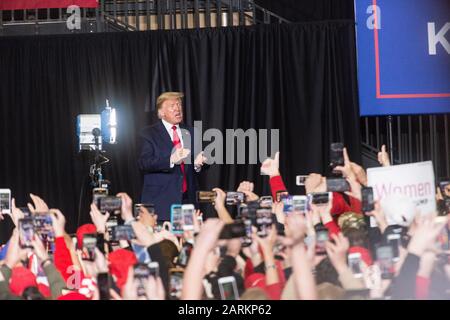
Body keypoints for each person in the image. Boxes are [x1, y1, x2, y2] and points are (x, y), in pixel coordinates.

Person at [137, 92, 207, 221]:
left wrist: (198, 164)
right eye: (172, 106)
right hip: (161, 202)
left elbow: (199, 161)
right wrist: (170, 160)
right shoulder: (148, 134)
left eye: (179, 104)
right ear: (161, 113)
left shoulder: (192, 132)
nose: (177, 108)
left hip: (188, 201)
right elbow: (144, 163)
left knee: (188, 240)